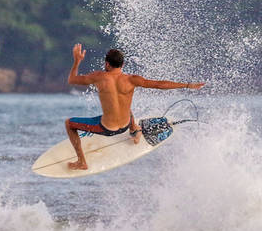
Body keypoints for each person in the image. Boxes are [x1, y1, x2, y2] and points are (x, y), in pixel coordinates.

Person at [63, 43, 204, 170]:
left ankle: (81, 162)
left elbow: (72, 79)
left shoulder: (98, 77)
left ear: (107, 64)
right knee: (124, 104)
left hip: (106, 128)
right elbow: (160, 85)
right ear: (122, 65)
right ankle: (134, 129)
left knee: (69, 123)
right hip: (125, 124)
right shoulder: (132, 80)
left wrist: (77, 61)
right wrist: (187, 85)